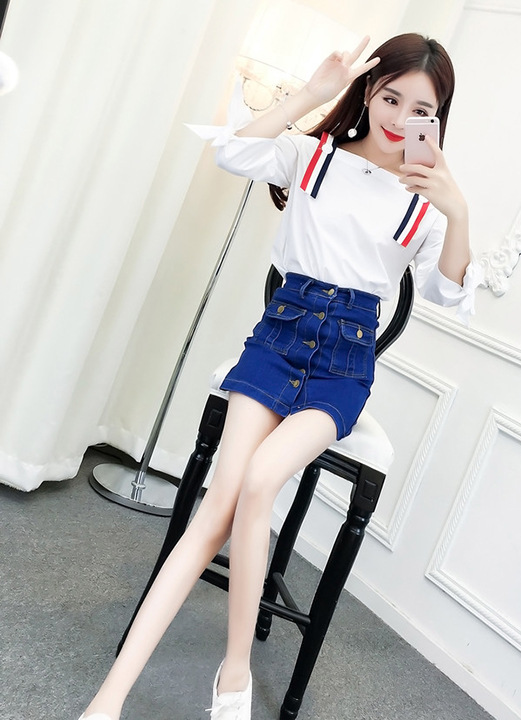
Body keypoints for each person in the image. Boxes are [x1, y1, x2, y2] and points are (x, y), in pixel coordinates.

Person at [79, 32, 483, 720]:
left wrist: (459, 209)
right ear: (368, 90)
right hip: (278, 341)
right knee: (217, 509)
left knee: (261, 479)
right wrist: (312, 95)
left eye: (422, 110)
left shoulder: (425, 203)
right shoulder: (312, 155)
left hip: (343, 368)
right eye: (390, 97)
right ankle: (111, 698)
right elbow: (233, 151)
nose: (400, 118)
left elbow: (449, 293)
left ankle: (234, 672)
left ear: (437, 121)